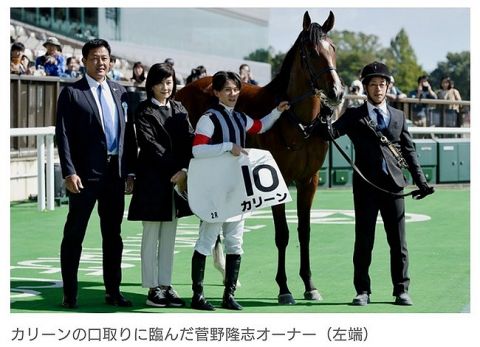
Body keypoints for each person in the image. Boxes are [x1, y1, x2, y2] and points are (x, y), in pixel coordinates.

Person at [323, 61, 434, 307]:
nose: (378, 88)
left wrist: (422, 183)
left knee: (398, 242)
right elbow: (329, 133)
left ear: (388, 87)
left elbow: (410, 151)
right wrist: (324, 113)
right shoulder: (353, 115)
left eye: (382, 84)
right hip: (365, 188)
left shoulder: (399, 116)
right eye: (372, 84)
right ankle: (362, 291)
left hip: (395, 187)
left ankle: (401, 290)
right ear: (365, 87)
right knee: (364, 241)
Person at [190, 71, 290, 311]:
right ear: (216, 93)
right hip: (215, 190)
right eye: (227, 90)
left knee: (235, 243)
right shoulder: (209, 118)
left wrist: (278, 111)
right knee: (206, 241)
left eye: (236, 89)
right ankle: (198, 296)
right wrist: (227, 147)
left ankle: (229, 294)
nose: (233, 94)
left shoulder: (240, 118)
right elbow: (197, 150)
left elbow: (261, 126)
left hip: (237, 189)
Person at [55, 38, 137, 309]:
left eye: (105, 58)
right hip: (84, 176)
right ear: (85, 61)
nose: (100, 63)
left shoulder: (121, 92)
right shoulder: (72, 93)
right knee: (74, 234)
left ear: (110, 61)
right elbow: (63, 135)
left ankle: (113, 291)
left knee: (113, 235)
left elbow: (128, 136)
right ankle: (70, 293)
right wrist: (69, 171)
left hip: (115, 174)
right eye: (94, 58)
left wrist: (130, 171)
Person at [127, 63, 194, 308]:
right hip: (152, 181)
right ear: (151, 85)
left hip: (176, 181)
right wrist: (176, 169)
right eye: (161, 83)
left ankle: (166, 284)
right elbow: (151, 145)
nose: (166, 87)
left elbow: (190, 139)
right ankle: (152, 287)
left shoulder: (179, 108)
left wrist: (185, 170)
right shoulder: (144, 111)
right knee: (151, 234)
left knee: (169, 237)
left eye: (169, 82)